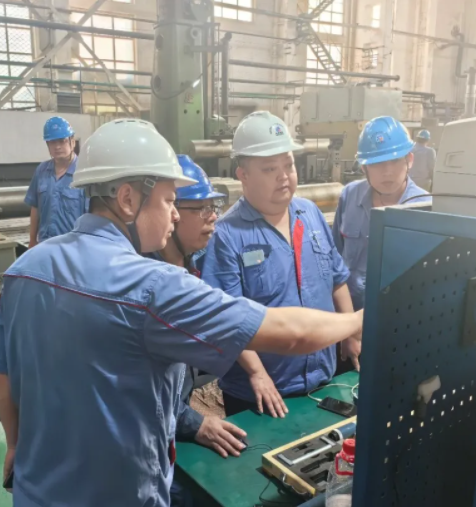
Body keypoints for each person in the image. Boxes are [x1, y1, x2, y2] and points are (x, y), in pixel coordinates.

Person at [0, 118, 363, 507]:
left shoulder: (24, 268)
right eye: (169, 200)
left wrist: (14, 444)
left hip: (37, 491)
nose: (177, 214)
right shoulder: (153, 286)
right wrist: (357, 321)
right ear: (128, 199)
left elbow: (2, 370)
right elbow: (289, 333)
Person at [201, 111, 359, 418]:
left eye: (288, 165)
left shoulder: (310, 213)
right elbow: (226, 319)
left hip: (323, 381)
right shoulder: (227, 235)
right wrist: (257, 373)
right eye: (270, 168)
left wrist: (352, 333)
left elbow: (337, 279)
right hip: (262, 395)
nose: (283, 175)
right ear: (243, 175)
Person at [151, 155, 245, 506]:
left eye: (214, 206)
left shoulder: (195, 265)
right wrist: (195, 423)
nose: (213, 216)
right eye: (202, 208)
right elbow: (145, 394)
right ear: (172, 213)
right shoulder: (150, 288)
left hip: (174, 425)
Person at [332, 116, 432, 311]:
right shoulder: (350, 196)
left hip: (400, 314)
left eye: (395, 161)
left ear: (409, 160)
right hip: (349, 311)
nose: (387, 172)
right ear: (363, 167)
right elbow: (334, 257)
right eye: (377, 163)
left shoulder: (426, 207)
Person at [25, 116, 88, 247]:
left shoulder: (83, 173)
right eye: (52, 142)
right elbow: (35, 207)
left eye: (62, 141)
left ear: (72, 142)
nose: (57, 147)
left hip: (74, 246)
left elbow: (93, 215)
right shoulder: (41, 171)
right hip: (45, 244)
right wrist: (32, 240)